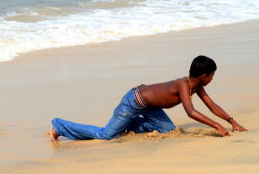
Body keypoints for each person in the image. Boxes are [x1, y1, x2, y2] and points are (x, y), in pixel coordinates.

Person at [50, 55, 247, 142]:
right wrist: (217, 126)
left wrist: (231, 121)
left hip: (150, 106)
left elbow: (211, 105)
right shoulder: (183, 84)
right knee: (106, 135)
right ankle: (59, 126)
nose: (212, 79)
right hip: (134, 101)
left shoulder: (198, 86)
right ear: (205, 76)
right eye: (212, 75)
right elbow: (190, 112)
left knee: (168, 130)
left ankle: (130, 124)